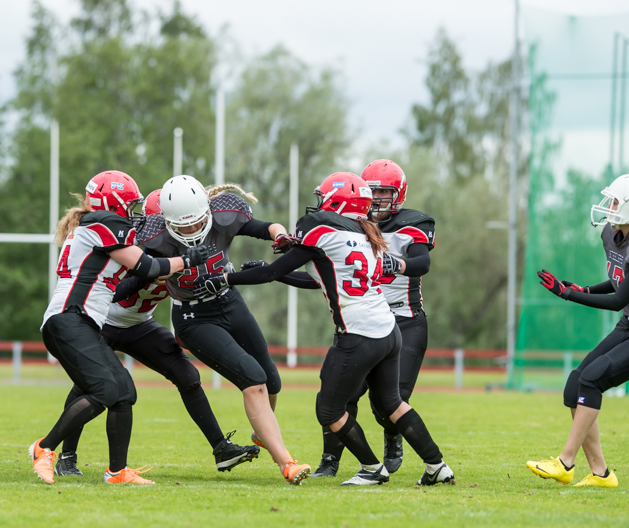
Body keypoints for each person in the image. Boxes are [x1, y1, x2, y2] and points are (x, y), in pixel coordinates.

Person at [196, 172, 455, 486]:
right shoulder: (369, 234)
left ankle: (372, 468)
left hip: (358, 332)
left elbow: (273, 272)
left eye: (324, 199)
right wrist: (281, 263)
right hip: (389, 331)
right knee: (392, 403)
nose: (319, 206)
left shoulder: (323, 232)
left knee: (329, 410)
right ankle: (437, 465)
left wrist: (226, 278)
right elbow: (322, 275)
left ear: (337, 203)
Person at [55, 188, 260, 477]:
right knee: (89, 385)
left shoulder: (184, 248)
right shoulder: (129, 246)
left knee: (188, 376)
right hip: (104, 323)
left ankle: (221, 449)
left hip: (140, 324)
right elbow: (117, 291)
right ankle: (66, 455)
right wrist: (157, 268)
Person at [29, 171, 212, 485]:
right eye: (130, 205)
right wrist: (187, 259)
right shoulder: (104, 223)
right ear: (113, 204)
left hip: (78, 320)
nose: (133, 212)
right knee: (104, 390)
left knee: (123, 393)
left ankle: (117, 472)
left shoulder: (92, 225)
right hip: (70, 318)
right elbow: (148, 267)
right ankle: (44, 448)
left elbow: (145, 271)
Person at [138, 175, 311, 485]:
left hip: (230, 301)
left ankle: (261, 433)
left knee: (271, 380)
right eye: (183, 225)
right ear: (167, 221)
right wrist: (173, 265)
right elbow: (139, 271)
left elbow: (266, 227)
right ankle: (286, 463)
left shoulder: (224, 216)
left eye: (196, 222)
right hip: (193, 316)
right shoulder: (153, 237)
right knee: (253, 378)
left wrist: (281, 236)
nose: (192, 229)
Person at [527, 174, 629, 488]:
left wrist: (569, 295)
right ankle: (601, 474)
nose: (609, 206)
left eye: (616, 201)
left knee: (592, 379)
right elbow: (620, 279)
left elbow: (619, 299)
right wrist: (584, 289)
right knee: (575, 385)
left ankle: (565, 462)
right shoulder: (613, 233)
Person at [310, 159, 436, 477]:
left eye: (384, 192)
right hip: (364, 321)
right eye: (373, 192)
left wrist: (398, 265)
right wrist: (278, 274)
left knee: (388, 403)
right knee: (340, 395)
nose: (378, 198)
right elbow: (328, 277)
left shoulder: (413, 223)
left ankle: (393, 438)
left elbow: (422, 263)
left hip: (405, 319)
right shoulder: (350, 226)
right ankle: (330, 459)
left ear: (399, 194)